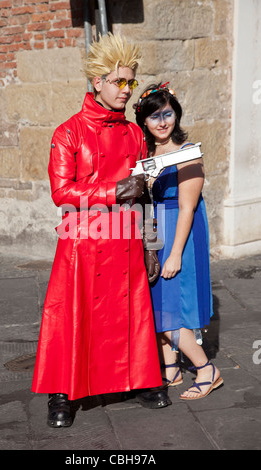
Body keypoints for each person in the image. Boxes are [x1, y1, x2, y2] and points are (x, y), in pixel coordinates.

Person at [32, 35, 170, 428]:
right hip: (82, 241)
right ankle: (61, 392)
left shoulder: (133, 134)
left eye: (130, 82)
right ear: (97, 81)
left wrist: (151, 244)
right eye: (118, 82)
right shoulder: (68, 132)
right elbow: (61, 192)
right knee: (72, 316)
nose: (126, 91)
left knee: (130, 313)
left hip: (126, 239)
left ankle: (140, 379)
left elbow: (143, 195)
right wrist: (113, 190)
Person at [135, 82, 224, 400]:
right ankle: (171, 369)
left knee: (173, 305)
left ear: (176, 115)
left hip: (180, 234)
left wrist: (174, 254)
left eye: (167, 113)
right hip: (156, 230)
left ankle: (205, 369)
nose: (162, 121)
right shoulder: (146, 155)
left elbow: (187, 206)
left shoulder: (188, 154)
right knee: (158, 301)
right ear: (144, 121)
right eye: (154, 116)